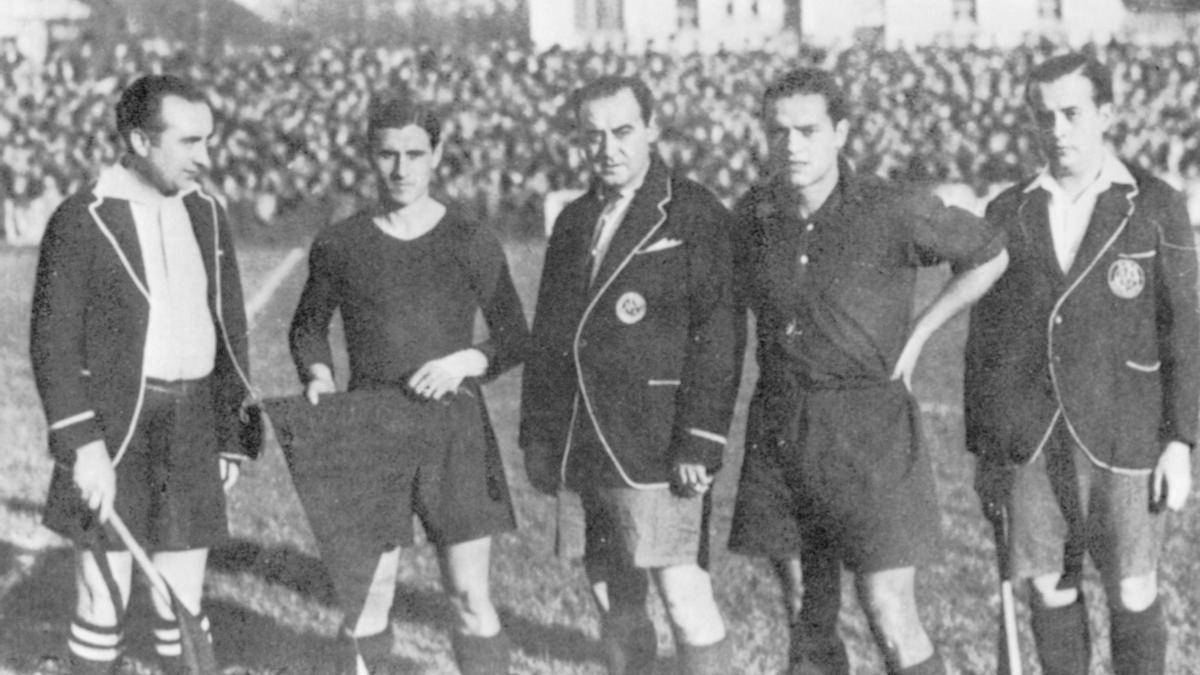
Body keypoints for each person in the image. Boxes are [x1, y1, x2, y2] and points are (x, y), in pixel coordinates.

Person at [727, 68, 1009, 675]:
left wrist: (921, 335)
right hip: (782, 427)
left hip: (870, 430)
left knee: (886, 607)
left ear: (841, 132)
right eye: (779, 132)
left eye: (808, 131)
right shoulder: (754, 212)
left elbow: (989, 252)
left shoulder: (892, 208)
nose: (792, 147)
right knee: (805, 609)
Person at [964, 53, 1198, 675]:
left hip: (1126, 435)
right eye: (1044, 117)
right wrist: (986, 451)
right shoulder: (1007, 210)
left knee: (1132, 590)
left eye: (1072, 114)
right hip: (1035, 440)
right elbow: (984, 341)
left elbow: (1186, 331)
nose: (1058, 131)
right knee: (1049, 588)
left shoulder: (1154, 204)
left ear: (1107, 115)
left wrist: (1182, 440)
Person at [288, 94, 528, 675]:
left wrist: (464, 363)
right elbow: (307, 329)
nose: (401, 169)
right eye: (387, 154)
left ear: (437, 155)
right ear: (370, 157)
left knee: (469, 597)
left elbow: (515, 335)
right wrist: (318, 374)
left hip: (454, 432)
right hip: (370, 429)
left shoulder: (469, 239)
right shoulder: (341, 243)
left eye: (414, 154)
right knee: (368, 598)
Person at [29, 74, 257, 674]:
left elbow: (231, 328)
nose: (205, 157)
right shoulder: (82, 218)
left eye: (207, 139)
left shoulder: (207, 213)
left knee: (179, 598)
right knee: (102, 599)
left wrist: (230, 432)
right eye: (189, 142)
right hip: (113, 431)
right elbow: (52, 343)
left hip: (191, 424)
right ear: (138, 138)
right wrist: (82, 445)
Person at [519, 75, 742, 675]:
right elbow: (548, 340)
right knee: (611, 596)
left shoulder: (692, 212)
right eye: (593, 136)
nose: (608, 149)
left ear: (651, 130)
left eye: (622, 132)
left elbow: (719, 331)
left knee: (681, 591)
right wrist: (538, 437)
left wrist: (701, 437)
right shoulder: (572, 219)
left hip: (656, 437)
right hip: (582, 436)